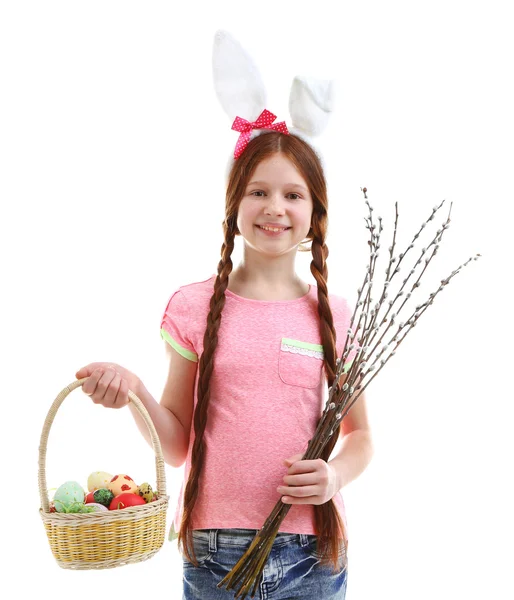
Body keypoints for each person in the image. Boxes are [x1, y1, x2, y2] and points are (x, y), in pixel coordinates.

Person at [75, 31, 374, 600]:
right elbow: (176, 445)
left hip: (314, 554)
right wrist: (133, 391)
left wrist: (334, 474)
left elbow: (363, 438)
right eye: (258, 191)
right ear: (234, 203)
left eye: (293, 195)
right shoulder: (193, 307)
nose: (274, 208)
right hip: (215, 554)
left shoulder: (335, 315)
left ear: (316, 213)